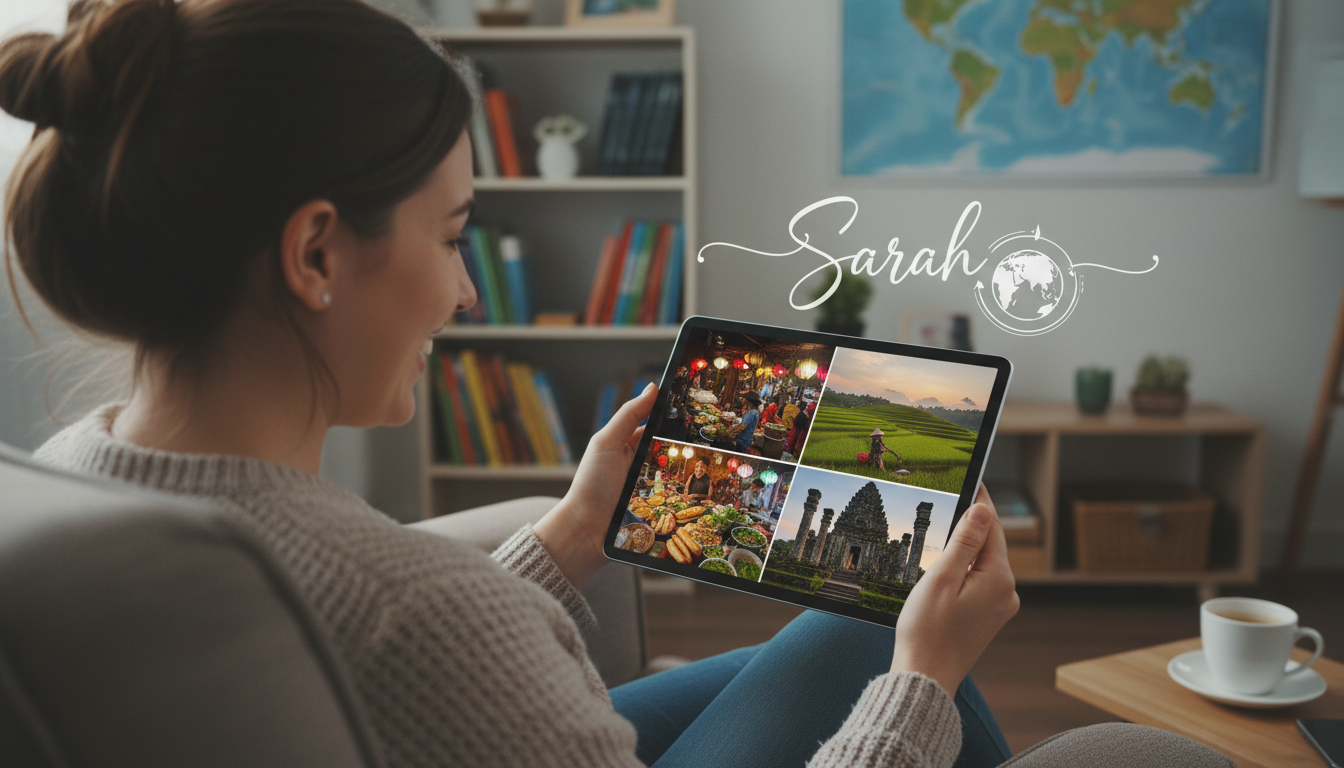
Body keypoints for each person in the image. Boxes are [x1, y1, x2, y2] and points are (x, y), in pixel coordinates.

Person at [3, 2, 1231, 767]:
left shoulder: (70, 476)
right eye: (453, 236)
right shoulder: (425, 611)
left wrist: (569, 537)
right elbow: (409, 635)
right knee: (943, 670)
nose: (465, 293)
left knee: (860, 616)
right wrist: (922, 688)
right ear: (316, 254)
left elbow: (355, 657)